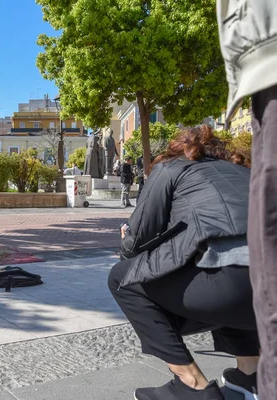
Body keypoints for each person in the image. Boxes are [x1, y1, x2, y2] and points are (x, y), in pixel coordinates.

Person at [108, 127, 259, 400]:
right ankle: (252, 375)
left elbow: (136, 241)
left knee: (122, 279)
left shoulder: (171, 169)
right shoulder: (247, 172)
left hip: (229, 290)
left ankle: (191, 385)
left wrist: (126, 237)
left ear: (178, 149)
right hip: (267, 296)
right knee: (226, 258)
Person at [216, 2, 277, 398]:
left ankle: (191, 377)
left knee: (125, 279)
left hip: (268, 54)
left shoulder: (170, 175)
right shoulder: (229, 171)